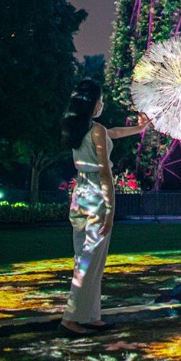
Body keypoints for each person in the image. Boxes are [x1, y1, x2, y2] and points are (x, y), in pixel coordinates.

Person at [59, 79, 149, 336]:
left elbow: (114, 133)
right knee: (90, 262)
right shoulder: (95, 130)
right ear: (92, 103)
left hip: (80, 196)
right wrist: (110, 208)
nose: (102, 103)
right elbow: (106, 174)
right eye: (100, 99)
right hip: (96, 196)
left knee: (87, 259)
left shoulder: (80, 128)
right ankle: (71, 318)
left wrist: (139, 129)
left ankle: (90, 315)